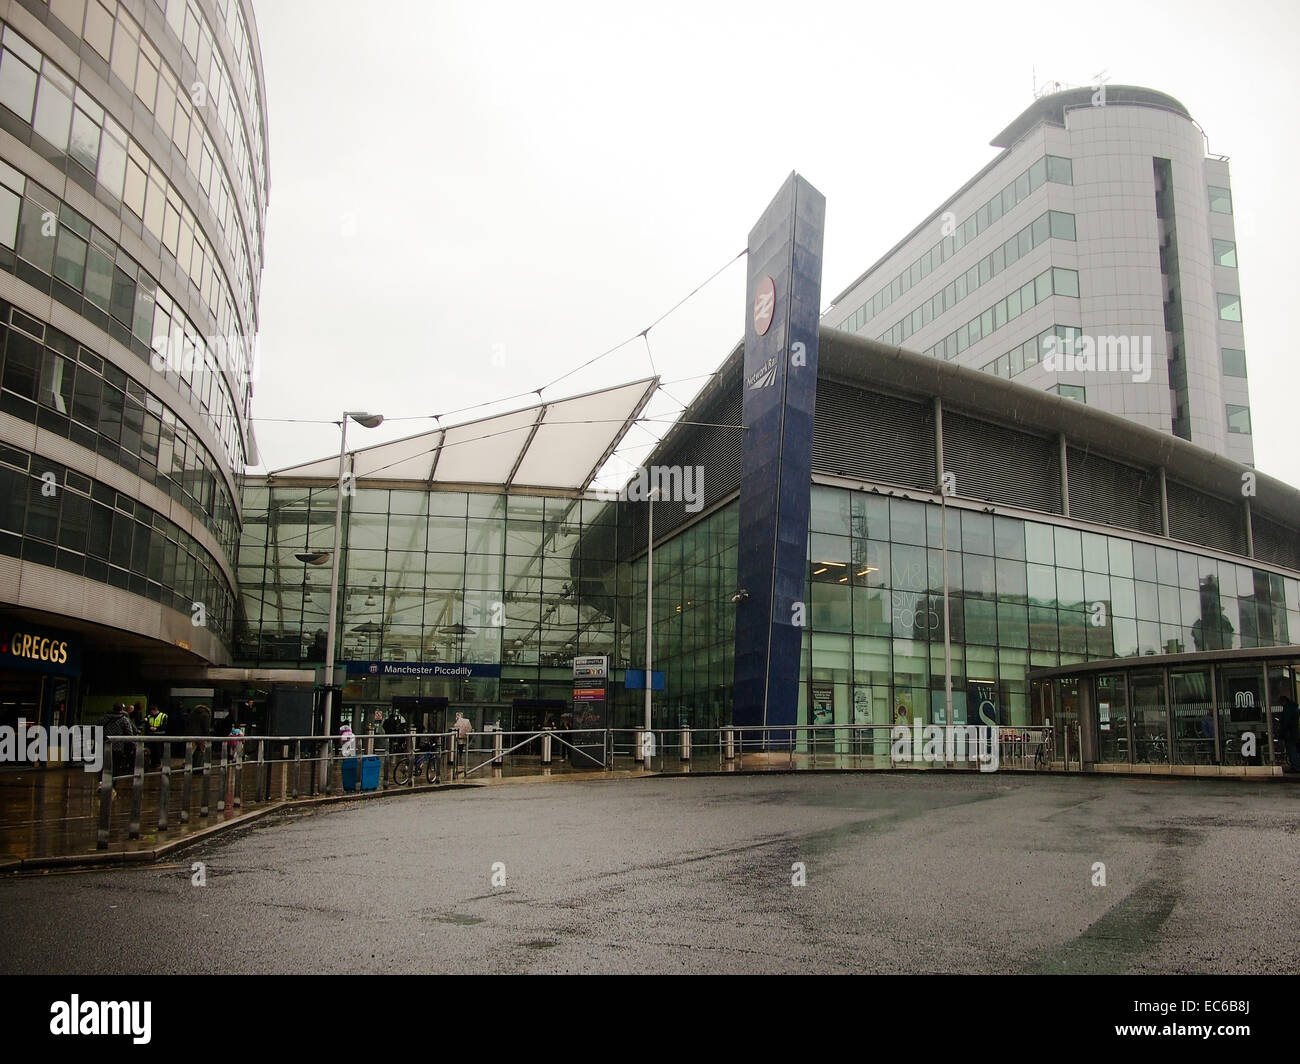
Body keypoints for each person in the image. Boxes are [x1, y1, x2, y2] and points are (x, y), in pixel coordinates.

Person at [98, 702, 136, 779]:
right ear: (122, 709)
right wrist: (132, 744)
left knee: (103, 766)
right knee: (115, 766)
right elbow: (129, 733)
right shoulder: (124, 719)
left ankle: (101, 782)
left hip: (104, 745)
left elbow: (97, 730)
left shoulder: (104, 718)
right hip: (118, 746)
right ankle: (112, 785)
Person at [1281, 693, 1300, 774]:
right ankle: (1296, 765)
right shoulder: (1294, 708)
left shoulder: (1288, 709)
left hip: (1290, 732)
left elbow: (1286, 722)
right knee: (1295, 749)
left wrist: (1282, 731)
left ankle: (1296, 766)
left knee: (1292, 749)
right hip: (1296, 732)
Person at [144, 704, 168, 769]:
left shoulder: (163, 716)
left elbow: (165, 726)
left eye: (152, 712)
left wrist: (156, 728)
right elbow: (146, 724)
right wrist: (149, 727)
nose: (151, 713)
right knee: (151, 750)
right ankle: (152, 763)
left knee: (158, 750)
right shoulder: (149, 716)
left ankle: (157, 763)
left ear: (155, 710)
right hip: (151, 734)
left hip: (159, 734)